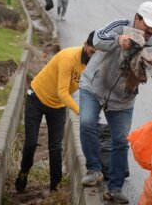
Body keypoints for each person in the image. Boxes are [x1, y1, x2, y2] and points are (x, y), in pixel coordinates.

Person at [79, 1, 152, 204]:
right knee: (86, 122)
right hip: (94, 86)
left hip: (123, 98)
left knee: (120, 140)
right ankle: (94, 169)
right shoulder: (119, 26)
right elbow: (97, 38)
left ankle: (115, 188)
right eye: (147, 25)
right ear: (137, 18)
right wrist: (118, 40)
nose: (150, 30)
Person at [15, 31, 96, 193]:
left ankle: (55, 186)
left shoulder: (93, 65)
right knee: (31, 143)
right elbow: (63, 92)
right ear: (85, 44)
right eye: (91, 51)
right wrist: (81, 112)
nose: (93, 56)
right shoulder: (69, 57)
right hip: (37, 97)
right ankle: (23, 173)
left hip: (57, 106)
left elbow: (92, 90)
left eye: (97, 54)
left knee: (55, 147)